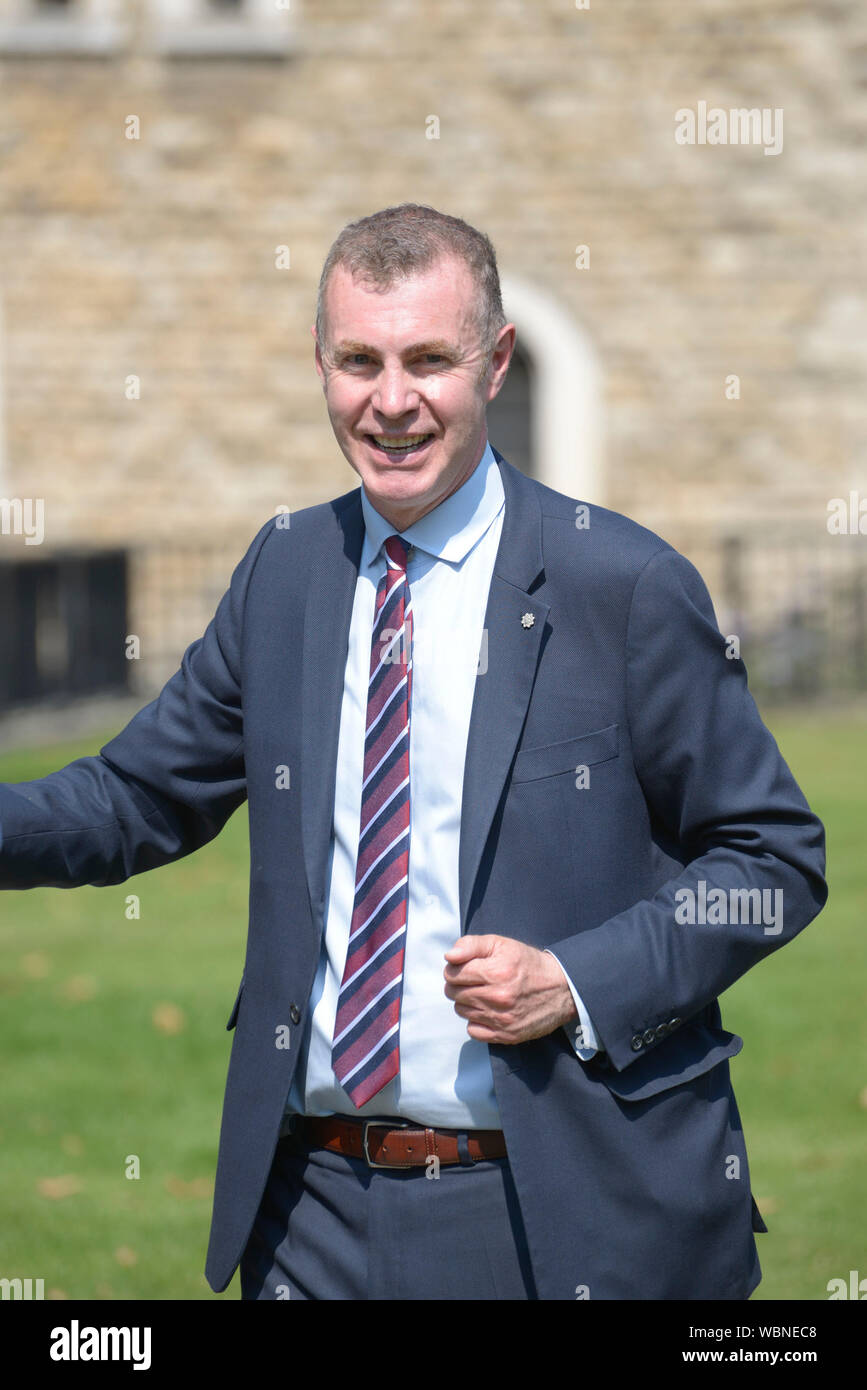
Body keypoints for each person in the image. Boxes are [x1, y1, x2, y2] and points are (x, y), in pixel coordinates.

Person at [0, 203, 827, 1300]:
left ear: (495, 362)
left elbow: (774, 861)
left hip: (553, 1214)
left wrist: (578, 980)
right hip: (313, 1214)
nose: (391, 401)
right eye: (360, 361)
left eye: (428, 360)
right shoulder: (287, 571)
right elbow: (134, 797)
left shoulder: (619, 586)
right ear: (320, 363)